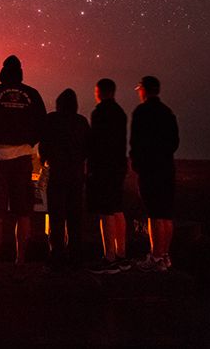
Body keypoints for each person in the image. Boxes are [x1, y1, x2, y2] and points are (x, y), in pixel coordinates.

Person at [0, 55, 46, 280]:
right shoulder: (32, 95)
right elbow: (42, 124)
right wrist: (29, 142)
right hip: (23, 159)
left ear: (3, 73)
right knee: (23, 212)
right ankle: (20, 261)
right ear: (21, 73)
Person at [129, 75, 179, 272]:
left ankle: (156, 256)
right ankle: (165, 255)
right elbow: (174, 142)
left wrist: (138, 163)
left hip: (150, 170)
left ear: (144, 90)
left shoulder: (142, 111)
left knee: (154, 214)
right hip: (167, 168)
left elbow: (136, 141)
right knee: (166, 214)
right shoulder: (168, 112)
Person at [39, 88, 89, 271]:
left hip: (57, 174)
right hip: (76, 175)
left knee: (56, 216)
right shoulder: (81, 122)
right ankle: (76, 255)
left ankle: (57, 255)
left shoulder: (51, 119)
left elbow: (43, 145)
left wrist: (45, 160)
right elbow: (87, 148)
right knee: (75, 216)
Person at [85, 78, 130, 274]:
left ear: (100, 92)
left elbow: (95, 143)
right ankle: (121, 254)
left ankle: (109, 257)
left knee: (106, 212)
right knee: (118, 209)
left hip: (103, 168)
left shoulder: (99, 113)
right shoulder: (120, 113)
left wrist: (90, 168)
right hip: (118, 167)